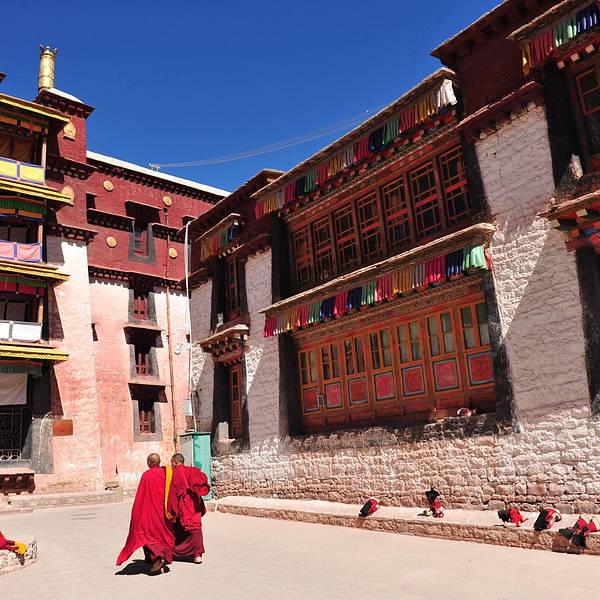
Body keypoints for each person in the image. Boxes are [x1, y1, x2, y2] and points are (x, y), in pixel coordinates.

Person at [116, 453, 175, 574]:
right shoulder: (167, 474)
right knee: (162, 535)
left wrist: (137, 512)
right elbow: (172, 493)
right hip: (163, 512)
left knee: (146, 534)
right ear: (159, 461)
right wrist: (174, 510)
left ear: (148, 463)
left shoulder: (147, 475)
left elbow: (141, 496)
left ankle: (157, 558)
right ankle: (159, 561)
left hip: (150, 511)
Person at [169, 453, 210, 564]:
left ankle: (174, 551)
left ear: (176, 462)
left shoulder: (174, 473)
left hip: (182, 504)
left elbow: (173, 491)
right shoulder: (194, 471)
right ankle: (197, 555)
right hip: (194, 504)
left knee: (176, 526)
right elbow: (203, 482)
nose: (171, 466)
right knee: (195, 527)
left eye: (172, 463)